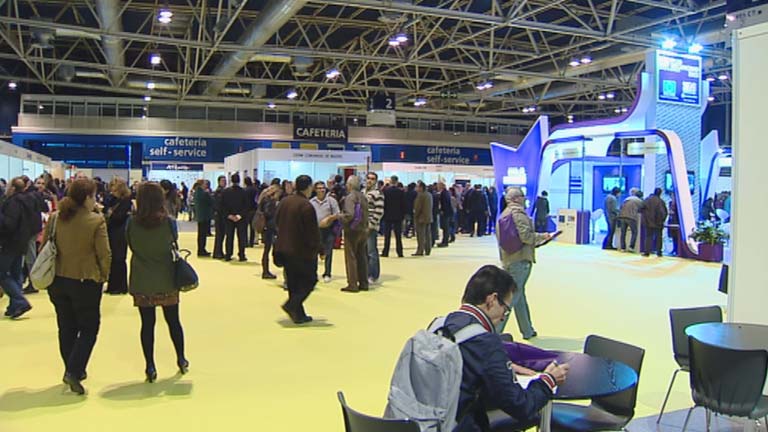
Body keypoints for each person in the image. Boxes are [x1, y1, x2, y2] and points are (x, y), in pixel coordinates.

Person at [445, 265, 568, 432]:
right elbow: (521, 406)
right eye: (506, 309)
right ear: (492, 300)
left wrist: (502, 366)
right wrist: (548, 381)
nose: (503, 317)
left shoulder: (440, 325)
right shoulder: (486, 342)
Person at [43, 178, 111, 394]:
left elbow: (45, 246)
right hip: (85, 280)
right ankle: (74, 370)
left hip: (57, 280)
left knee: (66, 326)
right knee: (89, 328)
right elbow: (104, 253)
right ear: (88, 197)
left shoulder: (56, 218)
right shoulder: (96, 221)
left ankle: (71, 368)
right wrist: (103, 275)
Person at [127, 182, 188, 383]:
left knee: (147, 324)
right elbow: (174, 241)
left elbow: (130, 244)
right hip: (167, 277)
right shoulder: (168, 223)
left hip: (142, 278)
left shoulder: (132, 223)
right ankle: (181, 358)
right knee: (173, 321)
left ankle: (150, 365)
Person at [497, 187, 552, 339]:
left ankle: (527, 330)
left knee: (519, 296)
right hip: (520, 260)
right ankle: (495, 332)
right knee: (512, 298)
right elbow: (526, 237)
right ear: (516, 198)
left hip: (509, 259)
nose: (525, 198)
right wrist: (543, 237)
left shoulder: (504, 214)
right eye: (522, 196)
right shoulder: (519, 214)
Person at [274, 175, 323, 324]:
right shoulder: (306, 206)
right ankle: (292, 305)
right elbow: (312, 232)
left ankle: (298, 313)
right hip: (300, 250)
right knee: (310, 280)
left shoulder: (285, 201)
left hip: (283, 247)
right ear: (308, 187)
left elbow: (276, 221)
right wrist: (319, 248)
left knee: (293, 283)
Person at [341, 175, 370, 293]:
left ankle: (352, 284)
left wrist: (339, 217)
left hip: (352, 231)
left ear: (349, 185)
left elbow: (350, 214)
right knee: (362, 256)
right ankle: (364, 282)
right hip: (363, 229)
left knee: (351, 257)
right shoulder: (363, 197)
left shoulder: (350, 197)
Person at [104, 178, 132, 295]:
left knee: (119, 259)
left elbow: (119, 217)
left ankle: (121, 286)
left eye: (115, 190)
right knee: (112, 259)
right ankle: (112, 285)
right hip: (112, 230)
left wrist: (110, 213)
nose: (112, 192)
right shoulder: (112, 199)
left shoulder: (126, 201)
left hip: (120, 232)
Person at [310, 181, 341, 283]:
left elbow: (338, 214)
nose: (321, 190)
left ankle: (327, 273)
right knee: (314, 252)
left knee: (328, 252)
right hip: (315, 231)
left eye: (323, 188)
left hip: (329, 230)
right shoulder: (311, 202)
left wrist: (329, 218)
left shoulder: (331, 201)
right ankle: (313, 273)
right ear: (315, 190)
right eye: (319, 188)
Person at [221, 173, 249, 262]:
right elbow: (246, 206)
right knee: (241, 237)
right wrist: (239, 215)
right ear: (239, 180)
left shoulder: (225, 192)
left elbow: (222, 205)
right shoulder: (243, 192)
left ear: (231, 180)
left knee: (229, 236)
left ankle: (228, 254)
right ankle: (241, 255)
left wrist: (228, 215)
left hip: (229, 218)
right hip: (240, 218)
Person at [364, 172, 384, 284]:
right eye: (368, 178)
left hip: (371, 227)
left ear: (375, 181)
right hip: (361, 227)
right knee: (364, 252)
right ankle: (366, 272)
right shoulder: (363, 192)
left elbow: (379, 211)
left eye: (372, 179)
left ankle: (373, 275)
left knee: (371, 252)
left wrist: (371, 225)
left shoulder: (378, 194)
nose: (369, 181)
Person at [258, 185, 280, 279]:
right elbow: (268, 213)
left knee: (266, 250)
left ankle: (265, 270)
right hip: (269, 227)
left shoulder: (263, 199)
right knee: (267, 250)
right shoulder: (270, 201)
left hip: (266, 227)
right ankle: (265, 271)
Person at [382, 176, 405, 258]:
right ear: (397, 181)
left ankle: (385, 252)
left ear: (391, 181)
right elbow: (403, 204)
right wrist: (403, 215)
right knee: (398, 236)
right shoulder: (401, 192)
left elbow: (384, 204)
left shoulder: (386, 191)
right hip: (398, 216)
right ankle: (400, 252)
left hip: (388, 215)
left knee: (387, 235)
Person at [642, 188, 669, 257]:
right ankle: (659, 252)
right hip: (658, 223)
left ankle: (647, 252)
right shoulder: (661, 201)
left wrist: (645, 219)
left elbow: (641, 209)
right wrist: (662, 220)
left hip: (648, 222)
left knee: (648, 236)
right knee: (659, 237)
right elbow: (664, 212)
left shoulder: (647, 200)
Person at [193, 179, 213, 257]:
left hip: (200, 216)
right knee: (203, 235)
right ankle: (202, 250)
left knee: (201, 234)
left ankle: (201, 249)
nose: (206, 185)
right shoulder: (204, 193)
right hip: (204, 216)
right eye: (205, 184)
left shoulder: (196, 192)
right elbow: (211, 201)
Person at [412, 181, 433, 256]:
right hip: (428, 217)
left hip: (421, 218)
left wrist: (415, 215)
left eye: (417, 187)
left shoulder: (420, 195)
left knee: (421, 235)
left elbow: (418, 207)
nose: (416, 188)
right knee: (428, 235)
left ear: (421, 187)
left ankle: (420, 250)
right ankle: (428, 249)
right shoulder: (429, 195)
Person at [244, 177, 259, 247]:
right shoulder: (255, 190)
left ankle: (245, 242)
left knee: (245, 227)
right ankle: (251, 242)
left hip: (246, 210)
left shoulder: (244, 190)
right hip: (253, 209)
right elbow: (256, 200)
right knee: (252, 227)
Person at [668, 192, 680, 256]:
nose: (672, 197)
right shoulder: (670, 203)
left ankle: (677, 249)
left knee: (677, 236)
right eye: (671, 196)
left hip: (677, 222)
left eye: (673, 196)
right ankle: (674, 249)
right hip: (671, 221)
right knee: (673, 236)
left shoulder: (678, 203)